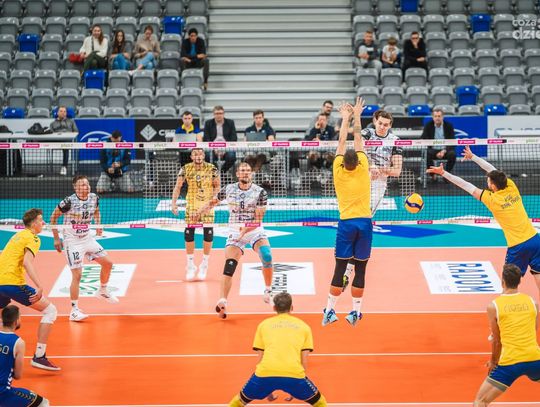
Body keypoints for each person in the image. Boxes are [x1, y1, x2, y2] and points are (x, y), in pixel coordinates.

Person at [427, 146, 540, 297]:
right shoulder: (511, 186)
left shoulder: (491, 199)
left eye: (488, 180)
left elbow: (466, 185)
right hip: (535, 239)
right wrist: (473, 157)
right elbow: (492, 170)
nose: (487, 179)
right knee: (538, 274)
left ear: (492, 185)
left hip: (518, 246)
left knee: (508, 284)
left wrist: (444, 173)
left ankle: (505, 307)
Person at [195, 162, 273, 319]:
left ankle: (268, 290)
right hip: (235, 231)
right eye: (242, 171)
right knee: (230, 264)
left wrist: (245, 230)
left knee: (266, 255)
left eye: (248, 171)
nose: (246, 173)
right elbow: (212, 202)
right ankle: (222, 301)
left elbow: (258, 220)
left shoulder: (260, 192)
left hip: (253, 229)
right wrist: (199, 213)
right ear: (237, 174)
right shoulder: (228, 189)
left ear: (251, 174)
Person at [322, 98, 372, 327]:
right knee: (360, 269)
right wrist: (358, 115)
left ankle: (329, 311)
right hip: (365, 224)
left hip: (346, 224)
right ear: (359, 162)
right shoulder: (364, 168)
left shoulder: (338, 171)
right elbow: (357, 138)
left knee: (340, 268)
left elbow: (342, 140)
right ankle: (355, 313)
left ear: (343, 163)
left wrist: (345, 117)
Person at [229, 293, 327, 407]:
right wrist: (295, 388)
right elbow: (304, 362)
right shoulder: (304, 327)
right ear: (292, 307)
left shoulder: (263, 325)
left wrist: (266, 388)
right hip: (295, 375)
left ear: (274, 308)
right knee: (320, 403)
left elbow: (260, 359)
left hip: (264, 374)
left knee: (237, 402)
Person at [50, 175, 118, 322]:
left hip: (87, 238)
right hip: (72, 241)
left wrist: (98, 225)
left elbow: (96, 211)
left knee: (108, 263)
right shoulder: (68, 202)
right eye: (82, 185)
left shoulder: (94, 198)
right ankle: (74, 311)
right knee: (78, 275)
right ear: (75, 187)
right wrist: (56, 238)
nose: (86, 187)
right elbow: (53, 218)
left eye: (87, 184)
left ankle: (103, 290)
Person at [0, 208, 60, 371]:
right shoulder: (33, 238)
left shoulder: (18, 235)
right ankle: (39, 356)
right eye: (41, 220)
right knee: (50, 311)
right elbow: (27, 262)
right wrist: (39, 286)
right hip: (12, 283)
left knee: (3, 312)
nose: (43, 223)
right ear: (33, 224)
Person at [473, 264, 540, 407]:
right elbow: (534, 329)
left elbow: (497, 341)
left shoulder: (494, 306)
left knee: (480, 401)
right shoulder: (533, 302)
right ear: (519, 281)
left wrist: (493, 362)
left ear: (502, 281)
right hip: (535, 359)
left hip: (510, 363)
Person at [171, 148, 220, 281]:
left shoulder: (212, 168)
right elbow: (178, 186)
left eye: (200, 154)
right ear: (191, 157)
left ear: (204, 156)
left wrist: (214, 199)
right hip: (192, 204)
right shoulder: (185, 169)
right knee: (189, 232)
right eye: (195, 154)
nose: (198, 156)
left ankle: (205, 263)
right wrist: (173, 203)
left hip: (207, 204)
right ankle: (190, 264)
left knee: (208, 232)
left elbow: (217, 186)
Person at [0, 305, 51, 406]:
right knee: (43, 403)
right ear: (16, 321)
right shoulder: (18, 343)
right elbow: (18, 375)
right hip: (3, 393)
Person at [362, 110, 403, 213]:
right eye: (380, 123)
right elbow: (359, 150)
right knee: (353, 211)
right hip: (361, 176)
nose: (381, 127)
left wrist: (377, 169)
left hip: (379, 181)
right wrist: (371, 165)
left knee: (368, 213)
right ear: (375, 121)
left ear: (390, 126)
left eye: (385, 125)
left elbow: (397, 171)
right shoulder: (367, 133)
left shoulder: (395, 141)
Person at [421, 107, 456, 177]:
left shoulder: (449, 126)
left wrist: (444, 151)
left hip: (445, 150)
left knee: (452, 154)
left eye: (439, 116)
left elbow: (452, 141)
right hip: (433, 150)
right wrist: (435, 151)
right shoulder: (428, 125)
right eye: (435, 116)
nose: (437, 118)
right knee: (427, 154)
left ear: (442, 117)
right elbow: (423, 137)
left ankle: (446, 175)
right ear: (433, 117)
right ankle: (433, 176)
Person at [203, 105, 238, 174]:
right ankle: (216, 172)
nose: (219, 115)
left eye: (220, 113)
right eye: (217, 113)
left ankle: (222, 172)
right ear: (213, 114)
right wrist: (214, 148)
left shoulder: (230, 123)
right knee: (207, 156)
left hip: (227, 148)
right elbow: (206, 138)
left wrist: (225, 149)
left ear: (223, 114)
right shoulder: (208, 123)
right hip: (212, 149)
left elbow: (234, 138)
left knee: (231, 157)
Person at [50, 106, 78, 176]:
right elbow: (50, 134)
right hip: (57, 141)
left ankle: (64, 167)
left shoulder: (71, 121)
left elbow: (76, 131)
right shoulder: (53, 123)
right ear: (57, 113)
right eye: (61, 111)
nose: (63, 113)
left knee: (65, 146)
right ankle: (33, 141)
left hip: (68, 140)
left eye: (64, 111)